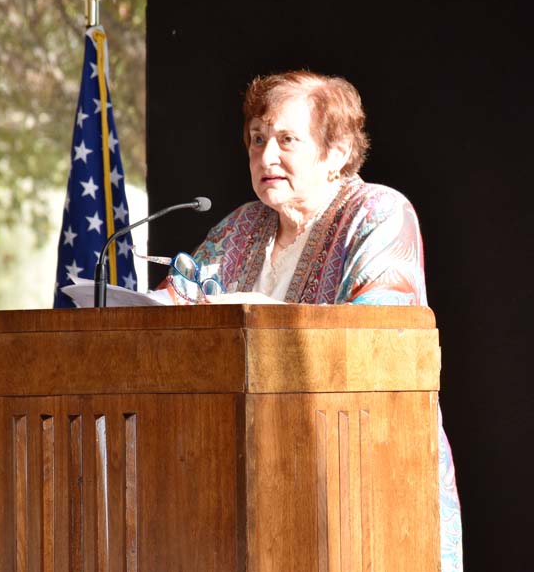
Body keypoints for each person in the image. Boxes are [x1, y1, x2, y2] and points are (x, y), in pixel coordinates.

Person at [170, 70, 463, 571]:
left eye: (287, 140)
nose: (266, 157)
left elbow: (374, 337)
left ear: (337, 151)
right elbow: (173, 310)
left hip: (364, 472)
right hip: (252, 478)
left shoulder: (378, 214)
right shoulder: (241, 227)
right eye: (257, 140)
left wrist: (265, 320)